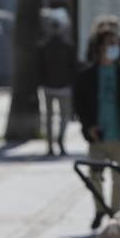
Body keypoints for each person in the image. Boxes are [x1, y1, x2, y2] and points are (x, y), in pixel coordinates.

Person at [76, 30, 120, 230]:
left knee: (118, 178)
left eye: (116, 43)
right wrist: (89, 126)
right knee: (95, 176)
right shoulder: (88, 74)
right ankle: (99, 210)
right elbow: (79, 104)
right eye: (110, 43)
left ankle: (115, 213)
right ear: (100, 48)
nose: (114, 47)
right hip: (97, 136)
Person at [38, 15, 78, 157]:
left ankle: (52, 143)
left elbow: (39, 68)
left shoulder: (45, 45)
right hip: (62, 87)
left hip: (52, 86)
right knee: (62, 116)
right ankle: (58, 140)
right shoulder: (66, 46)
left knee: (51, 117)